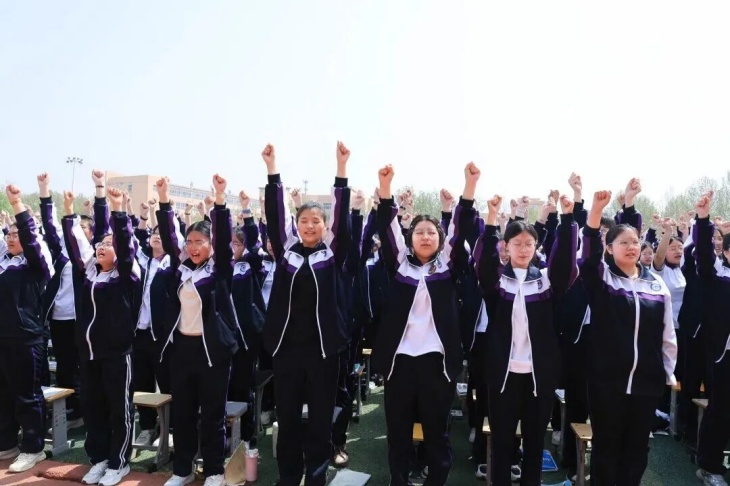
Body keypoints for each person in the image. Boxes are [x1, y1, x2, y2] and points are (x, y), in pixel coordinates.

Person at [372, 162, 479, 486]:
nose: (425, 236)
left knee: (437, 433)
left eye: (431, 232)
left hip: (437, 365)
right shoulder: (399, 265)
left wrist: (469, 186)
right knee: (399, 433)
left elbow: (461, 229)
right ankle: (399, 480)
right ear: (410, 239)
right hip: (400, 363)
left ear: (440, 240)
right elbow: (387, 229)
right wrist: (386, 188)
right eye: (419, 232)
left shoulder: (446, 266)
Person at [262, 142, 352, 486]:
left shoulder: (332, 253)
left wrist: (341, 170)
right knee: (287, 418)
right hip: (287, 351)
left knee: (319, 421)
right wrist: (273, 170)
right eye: (304, 221)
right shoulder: (287, 252)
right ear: (297, 225)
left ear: (325, 226)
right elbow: (275, 216)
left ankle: (316, 477)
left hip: (323, 353)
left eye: (316, 221)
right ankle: (288, 477)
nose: (309, 226)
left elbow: (343, 220)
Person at [476, 191, 578, 486]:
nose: (523, 249)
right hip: (503, 375)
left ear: (536, 247)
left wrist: (568, 218)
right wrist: (491, 218)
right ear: (506, 247)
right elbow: (484, 264)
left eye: (529, 244)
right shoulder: (498, 280)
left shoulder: (545, 280)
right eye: (517, 243)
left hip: (539, 377)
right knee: (501, 443)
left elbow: (565, 262)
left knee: (534, 445)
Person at [580, 183, 677, 485]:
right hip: (607, 382)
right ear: (609, 248)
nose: (631, 246)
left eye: (635, 241)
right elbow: (588, 259)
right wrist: (596, 212)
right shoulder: (603, 279)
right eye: (623, 242)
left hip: (646, 381)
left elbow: (667, 333)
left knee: (637, 450)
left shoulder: (656, 285)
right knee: (606, 448)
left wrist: (668, 372)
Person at [156, 174, 239, 486]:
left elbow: (224, 241)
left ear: (210, 245)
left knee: (213, 415)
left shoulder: (219, 271)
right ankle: (183, 469)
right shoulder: (180, 270)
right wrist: (164, 200)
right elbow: (169, 238)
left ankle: (214, 470)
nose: (193, 247)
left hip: (213, 352)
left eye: (199, 242)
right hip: (183, 350)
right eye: (189, 242)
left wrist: (220, 199)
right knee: (184, 413)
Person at [62, 186, 140, 486]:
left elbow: (125, 245)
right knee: (93, 408)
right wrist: (68, 211)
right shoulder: (90, 274)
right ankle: (99, 460)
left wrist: (118, 209)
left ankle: (119, 463)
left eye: (110, 243)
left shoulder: (126, 275)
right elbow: (75, 245)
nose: (102, 247)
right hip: (90, 354)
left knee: (119, 410)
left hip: (117, 354)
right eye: (100, 243)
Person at [0, 185, 54, 473]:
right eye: (8, 234)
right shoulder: (4, 263)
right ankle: (6, 442)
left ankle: (34, 448)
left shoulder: (35, 265)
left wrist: (17, 205)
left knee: (27, 395)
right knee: (3, 394)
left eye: (15, 234)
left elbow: (31, 239)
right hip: (2, 337)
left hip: (26, 338)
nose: (11, 238)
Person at [692, 192, 730, 486]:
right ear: (726, 252)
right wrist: (704, 220)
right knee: (721, 410)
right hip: (723, 354)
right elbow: (704, 255)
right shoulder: (718, 273)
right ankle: (709, 466)